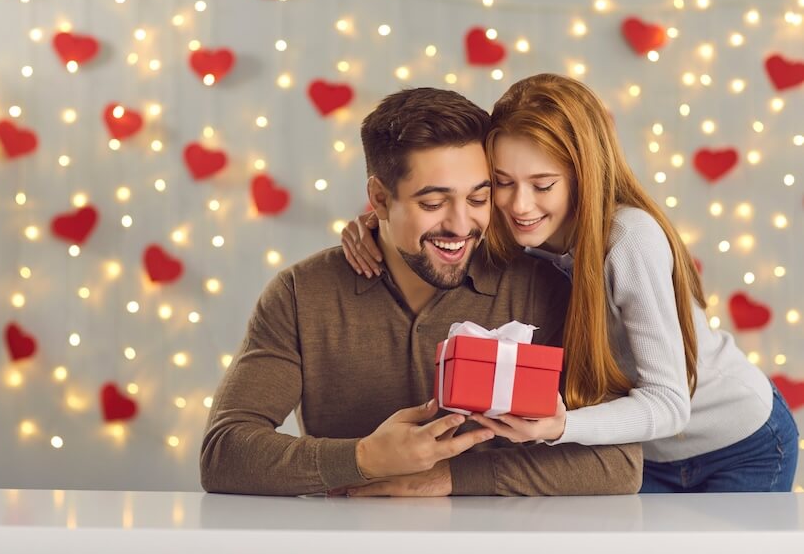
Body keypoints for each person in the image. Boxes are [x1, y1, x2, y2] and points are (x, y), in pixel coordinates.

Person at [341, 74, 798, 493]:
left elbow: (670, 404)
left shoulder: (627, 239)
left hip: (740, 443)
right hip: (641, 453)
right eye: (502, 182)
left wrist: (559, 428)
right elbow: (440, 231)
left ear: (583, 176)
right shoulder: (508, 229)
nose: (520, 204)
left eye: (543, 185)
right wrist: (375, 225)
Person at [201, 87, 643, 497]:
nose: (460, 225)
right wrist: (367, 459)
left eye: (478, 198)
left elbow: (620, 462)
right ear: (378, 199)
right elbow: (224, 454)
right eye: (432, 203)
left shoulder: (540, 289)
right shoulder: (302, 294)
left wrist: (448, 478)